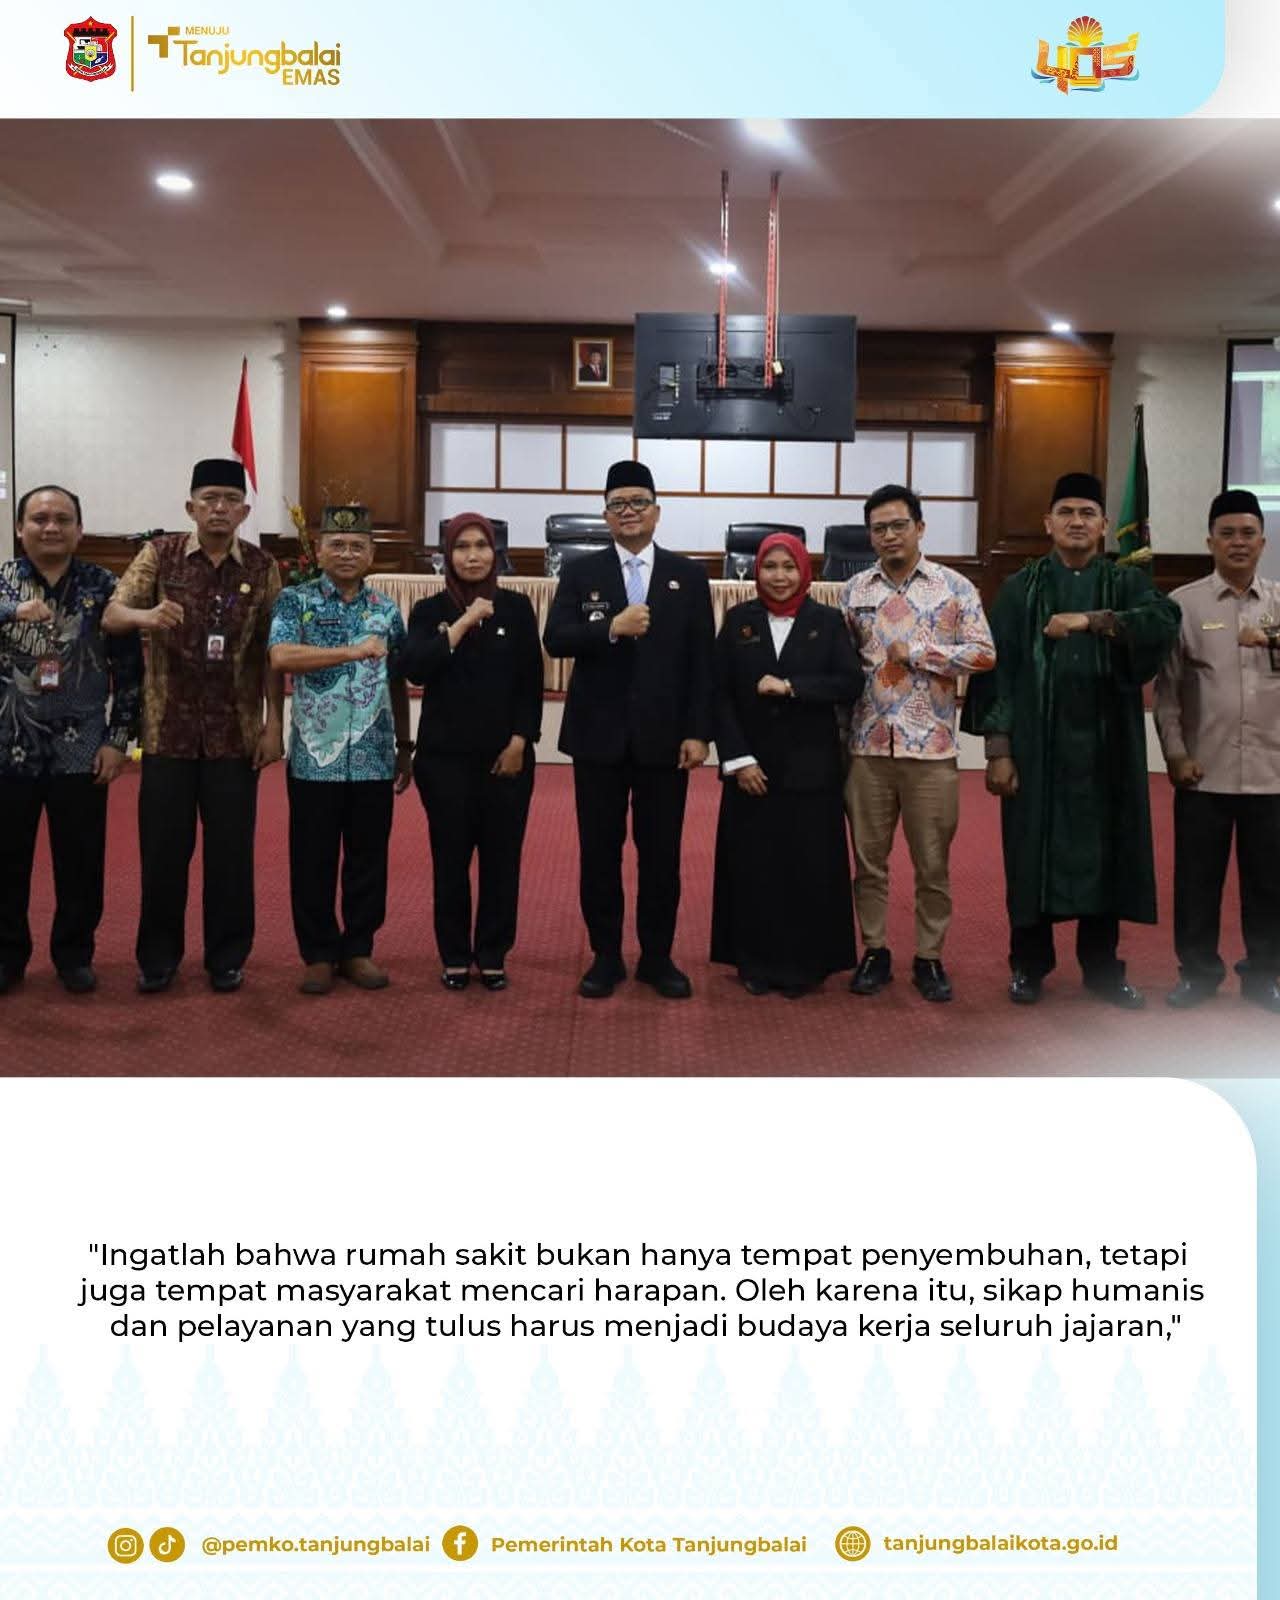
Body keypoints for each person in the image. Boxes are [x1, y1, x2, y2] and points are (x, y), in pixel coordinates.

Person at [963, 471, 1180, 1008]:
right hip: (1037, 751)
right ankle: (1029, 965)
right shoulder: (1021, 588)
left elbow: (1163, 621)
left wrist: (1092, 620)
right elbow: (998, 672)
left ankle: (1103, 969)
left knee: (1107, 853)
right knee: (1029, 853)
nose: (1076, 522)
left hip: (1108, 751)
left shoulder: (1124, 583)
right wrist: (999, 751)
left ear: (1104, 525)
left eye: (1087, 513)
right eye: (1066, 512)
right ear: (1048, 523)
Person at [103, 458, 283, 993]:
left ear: (244, 511)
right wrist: (146, 616)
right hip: (168, 734)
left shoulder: (262, 566)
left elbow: (272, 651)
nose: (219, 508)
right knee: (163, 854)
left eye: (230, 499)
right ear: (191, 507)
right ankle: (158, 958)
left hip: (235, 734)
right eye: (209, 498)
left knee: (231, 855)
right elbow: (112, 614)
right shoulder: (159, 556)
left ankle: (227, 957)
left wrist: (274, 724)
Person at [544, 459, 714, 999]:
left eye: (639, 502)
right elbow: (556, 639)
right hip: (598, 737)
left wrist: (699, 732)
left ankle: (658, 957)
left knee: (661, 853)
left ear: (657, 512)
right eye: (618, 504)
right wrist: (610, 629)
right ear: (606, 516)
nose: (629, 511)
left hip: (666, 739)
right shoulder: (581, 571)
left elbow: (702, 661)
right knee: (600, 851)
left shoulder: (688, 576)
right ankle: (606, 955)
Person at [840, 483, 996, 1003]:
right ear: (870, 536)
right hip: (867, 747)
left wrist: (922, 653)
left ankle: (929, 957)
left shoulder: (955, 587)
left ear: (920, 528)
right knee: (869, 862)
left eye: (898, 525)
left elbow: (984, 653)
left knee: (932, 864)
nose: (889, 535)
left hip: (931, 749)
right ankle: (875, 950)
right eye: (879, 528)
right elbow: (842, 666)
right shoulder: (854, 590)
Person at [0, 485, 142, 994]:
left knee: (81, 862)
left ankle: (74, 954)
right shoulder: (3, 583)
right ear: (20, 528)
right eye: (39, 519)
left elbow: (130, 671)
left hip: (82, 748)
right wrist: (10, 614)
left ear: (80, 530)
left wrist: (118, 739)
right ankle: (7, 957)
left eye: (62, 519)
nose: (51, 527)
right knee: (6, 862)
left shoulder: (106, 587)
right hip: (7, 748)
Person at [710, 532, 863, 996]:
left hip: (810, 770)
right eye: (770, 567)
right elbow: (718, 694)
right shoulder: (739, 620)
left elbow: (850, 682)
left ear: (804, 570)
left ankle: (805, 964)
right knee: (753, 867)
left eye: (789, 567)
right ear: (757, 570)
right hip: (750, 767)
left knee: (807, 867)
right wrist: (738, 760)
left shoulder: (827, 621)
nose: (779, 576)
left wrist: (793, 687)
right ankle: (754, 961)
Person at [268, 517, 412, 994]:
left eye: (357, 546)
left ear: (371, 555)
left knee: (368, 858)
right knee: (312, 858)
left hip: (373, 754)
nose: (347, 554)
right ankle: (318, 953)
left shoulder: (386, 609)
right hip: (315, 757)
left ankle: (358, 949)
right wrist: (350, 653)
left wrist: (405, 746)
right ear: (319, 550)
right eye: (338, 544)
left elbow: (397, 681)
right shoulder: (296, 601)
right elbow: (281, 657)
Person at [400, 512, 543, 991]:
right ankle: (456, 955)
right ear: (448, 555)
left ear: (495, 552)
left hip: (507, 759)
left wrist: (521, 740)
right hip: (444, 762)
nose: (473, 555)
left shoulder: (517, 607)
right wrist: (463, 622)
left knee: (502, 862)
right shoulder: (429, 610)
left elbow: (530, 682)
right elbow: (416, 668)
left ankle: (493, 953)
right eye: (462, 547)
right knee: (450, 861)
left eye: (481, 545)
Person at [1154, 489, 1280, 1012]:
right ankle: (1198, 972)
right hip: (1204, 770)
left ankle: (1265, 975)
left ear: (1263, 542)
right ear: (1210, 542)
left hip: (1272, 772)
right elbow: (1168, 693)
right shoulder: (1183, 605)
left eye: (1248, 533)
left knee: (1270, 885)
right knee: (1196, 882)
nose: (1238, 542)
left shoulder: (1279, 602)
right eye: (1227, 534)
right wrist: (1175, 754)